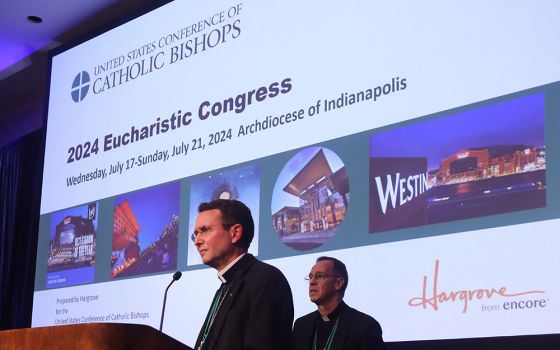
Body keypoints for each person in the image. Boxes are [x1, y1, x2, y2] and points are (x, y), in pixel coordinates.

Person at [192, 199, 294, 350]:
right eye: (196, 233)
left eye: (205, 230)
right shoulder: (225, 286)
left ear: (235, 233)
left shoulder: (266, 279)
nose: (197, 241)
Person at [293, 256, 385, 350]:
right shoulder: (301, 325)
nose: (312, 282)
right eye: (311, 277)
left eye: (320, 276)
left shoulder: (364, 326)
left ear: (338, 283)